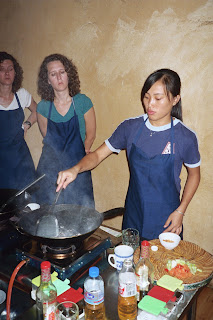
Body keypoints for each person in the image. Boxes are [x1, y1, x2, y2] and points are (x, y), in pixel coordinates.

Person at [56, 69, 201, 240]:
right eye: (146, 97)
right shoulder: (130, 128)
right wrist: (75, 169)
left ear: (175, 99)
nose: (150, 104)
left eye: (158, 98)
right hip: (134, 215)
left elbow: (194, 175)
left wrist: (180, 211)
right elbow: (97, 156)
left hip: (167, 219)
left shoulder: (186, 137)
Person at [36, 53, 96, 207]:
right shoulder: (43, 107)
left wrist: (83, 154)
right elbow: (46, 137)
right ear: (48, 80)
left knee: (80, 214)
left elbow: (91, 134)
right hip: (49, 171)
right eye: (53, 74)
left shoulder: (83, 102)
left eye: (62, 72)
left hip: (77, 169)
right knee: (47, 216)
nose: (59, 77)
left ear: (69, 74)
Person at [0, 52, 37, 192]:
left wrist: (27, 124)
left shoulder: (21, 94)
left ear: (16, 72)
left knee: (26, 202)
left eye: (10, 68)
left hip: (20, 159)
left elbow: (37, 111)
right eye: (2, 69)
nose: (7, 73)